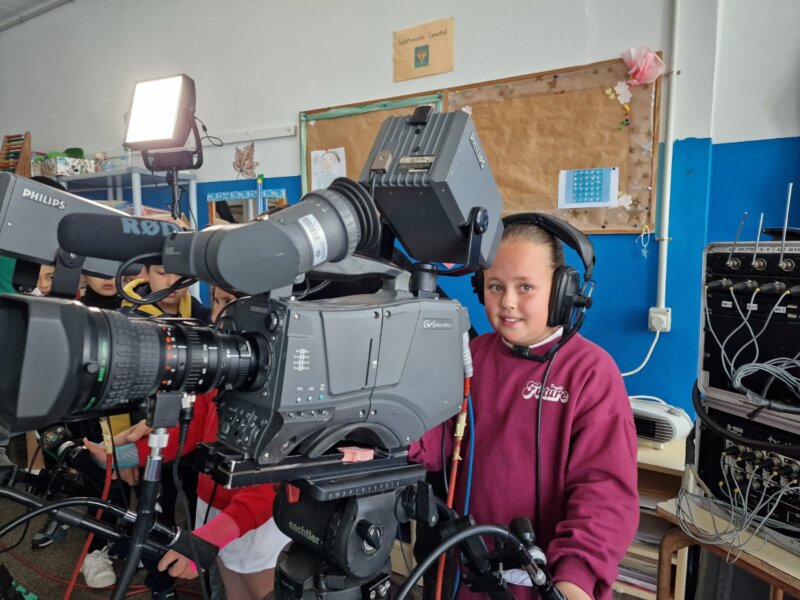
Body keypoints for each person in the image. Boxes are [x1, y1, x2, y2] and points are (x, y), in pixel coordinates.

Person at [410, 219, 639, 600]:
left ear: (563, 291)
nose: (507, 302)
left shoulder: (591, 373)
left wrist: (575, 579)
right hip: (465, 574)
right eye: (496, 286)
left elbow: (604, 496)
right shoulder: (472, 357)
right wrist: (385, 441)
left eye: (526, 287)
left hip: (547, 584)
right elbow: (438, 441)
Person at [88, 285, 290, 599]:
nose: (224, 316)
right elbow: (191, 430)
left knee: (259, 590)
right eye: (219, 302)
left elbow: (265, 493)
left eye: (235, 303)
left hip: (256, 524)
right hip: (213, 507)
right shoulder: (223, 373)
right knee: (232, 588)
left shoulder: (283, 390)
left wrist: (208, 540)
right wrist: (123, 456)